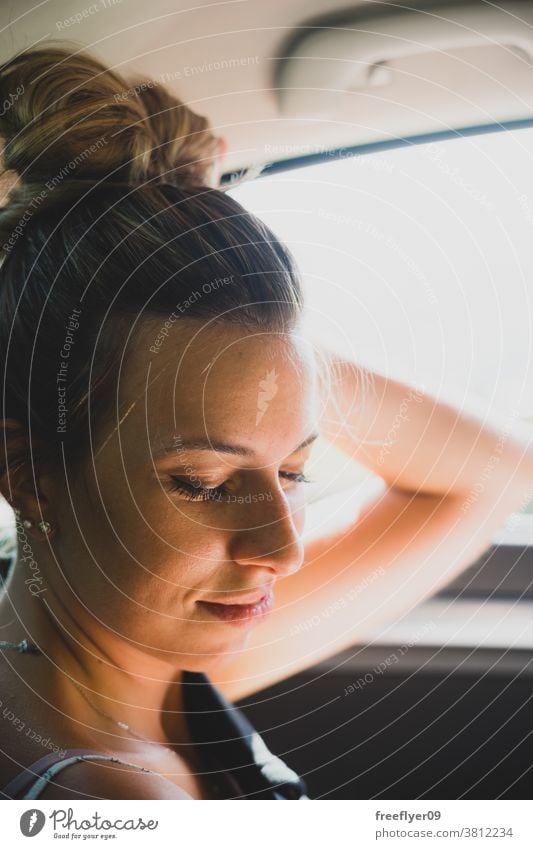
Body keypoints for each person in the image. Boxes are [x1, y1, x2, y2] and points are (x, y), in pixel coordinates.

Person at [0, 46, 532, 801]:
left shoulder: (140, 664)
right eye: (206, 482)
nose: (280, 549)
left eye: (292, 471)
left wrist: (231, 337)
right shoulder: (102, 798)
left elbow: (493, 475)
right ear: (28, 475)